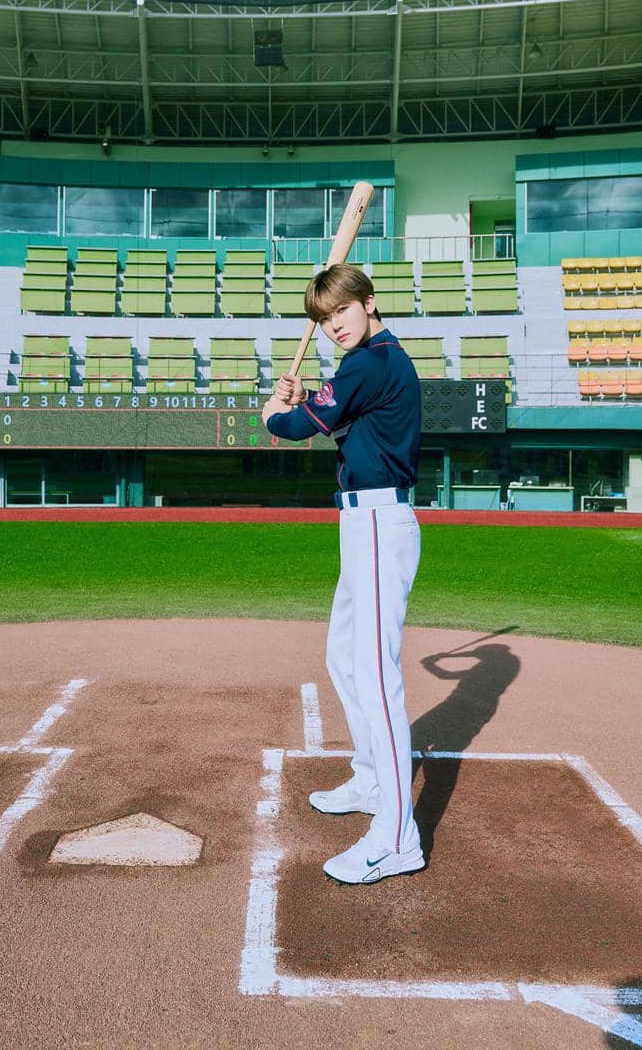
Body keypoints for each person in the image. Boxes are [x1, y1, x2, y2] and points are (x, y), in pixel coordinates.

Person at [261, 263, 424, 885]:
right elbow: (345, 422)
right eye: (324, 319)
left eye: (341, 311)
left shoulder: (369, 363)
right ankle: (372, 778)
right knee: (343, 657)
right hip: (364, 523)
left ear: (369, 302)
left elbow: (293, 429)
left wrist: (275, 410)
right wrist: (308, 398)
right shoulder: (373, 363)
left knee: (376, 674)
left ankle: (398, 837)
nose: (333, 326)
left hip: (379, 522)